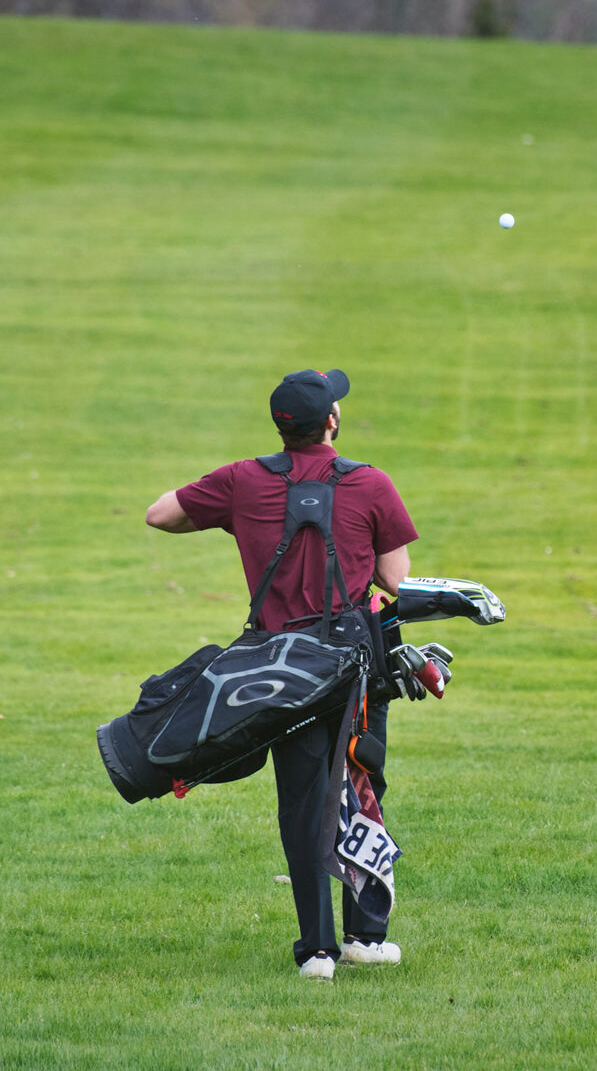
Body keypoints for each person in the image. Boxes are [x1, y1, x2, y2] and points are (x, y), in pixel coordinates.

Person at [146, 368, 419, 981]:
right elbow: (399, 583)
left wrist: (232, 516)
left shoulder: (242, 481)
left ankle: (317, 952)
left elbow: (160, 515)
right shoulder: (371, 484)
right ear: (332, 421)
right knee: (358, 784)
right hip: (352, 670)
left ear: (281, 426)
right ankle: (365, 937)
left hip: (277, 672)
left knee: (299, 804)